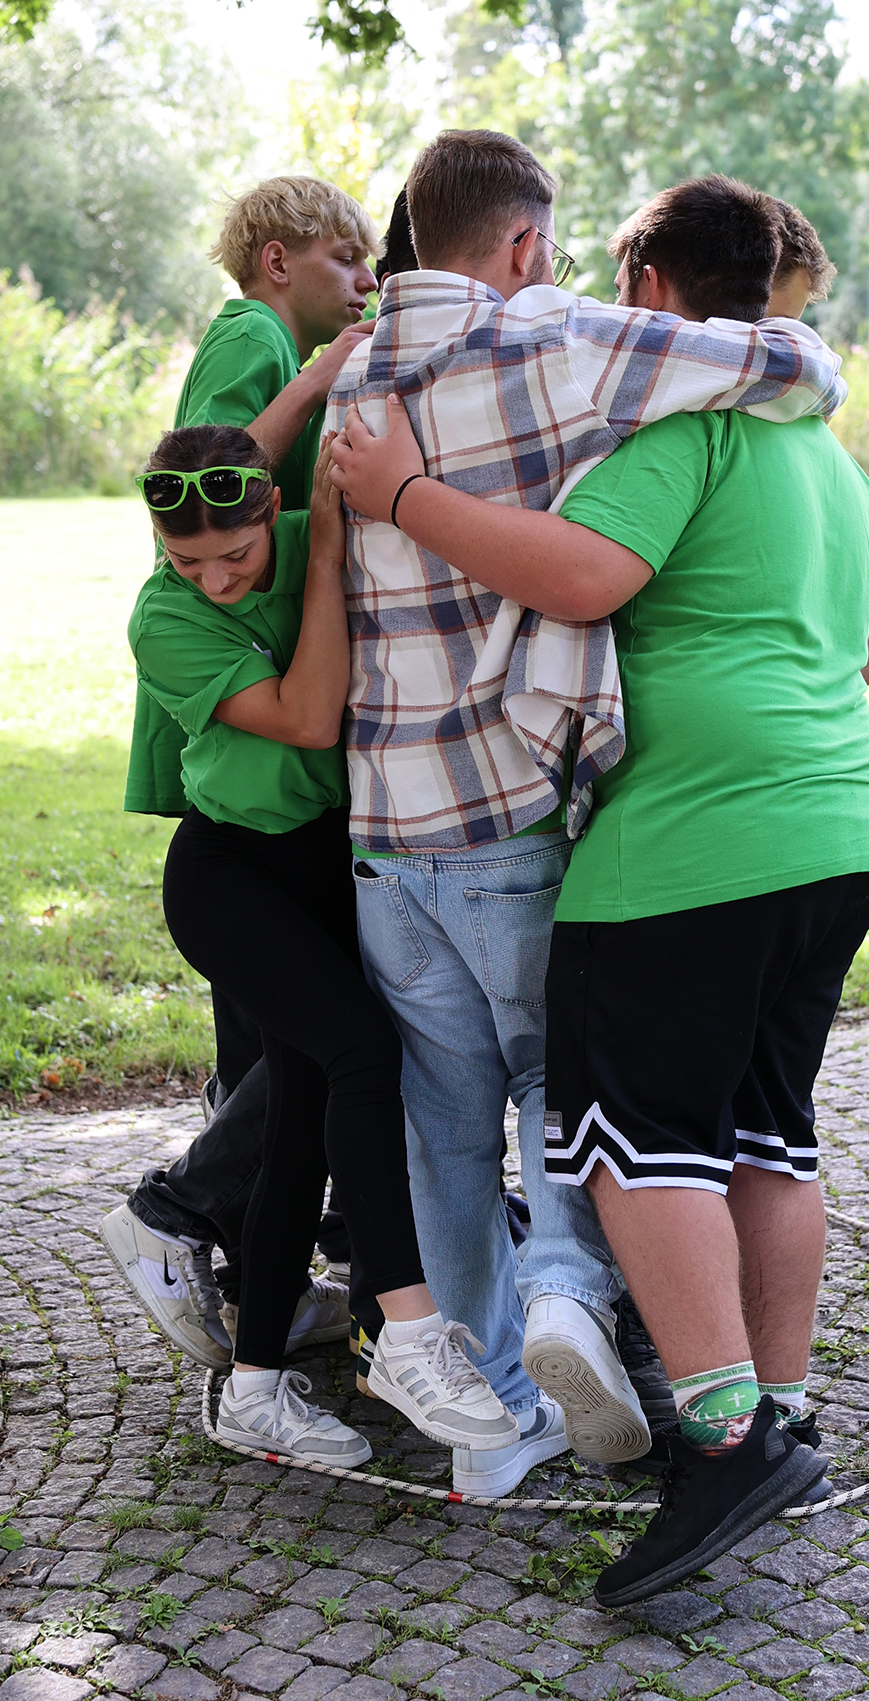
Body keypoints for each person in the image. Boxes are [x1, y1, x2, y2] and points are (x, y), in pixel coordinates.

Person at [330, 173, 869, 1597]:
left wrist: (404, 495)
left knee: (636, 1144)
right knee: (767, 1136)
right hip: (837, 828)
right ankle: (780, 1411)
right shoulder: (827, 456)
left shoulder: (686, 427)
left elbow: (582, 577)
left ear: (646, 289)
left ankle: (722, 1440)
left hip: (688, 848)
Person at [121, 421, 518, 1465]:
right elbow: (307, 717)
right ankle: (410, 1329)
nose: (215, 581)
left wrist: (334, 389)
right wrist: (329, 557)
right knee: (361, 1051)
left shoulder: (308, 527)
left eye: (235, 554)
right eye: (187, 562)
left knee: (301, 1119)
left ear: (269, 511)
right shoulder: (164, 617)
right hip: (230, 875)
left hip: (326, 868)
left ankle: (253, 1388)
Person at [103, 180, 390, 1370]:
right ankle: (191, 1212)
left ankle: (287, 1252)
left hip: (279, 779)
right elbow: (215, 481)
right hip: (245, 757)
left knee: (285, 1037)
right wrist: (318, 388)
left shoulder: (277, 345)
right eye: (346, 260)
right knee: (306, 1041)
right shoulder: (255, 340)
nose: (364, 284)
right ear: (278, 260)